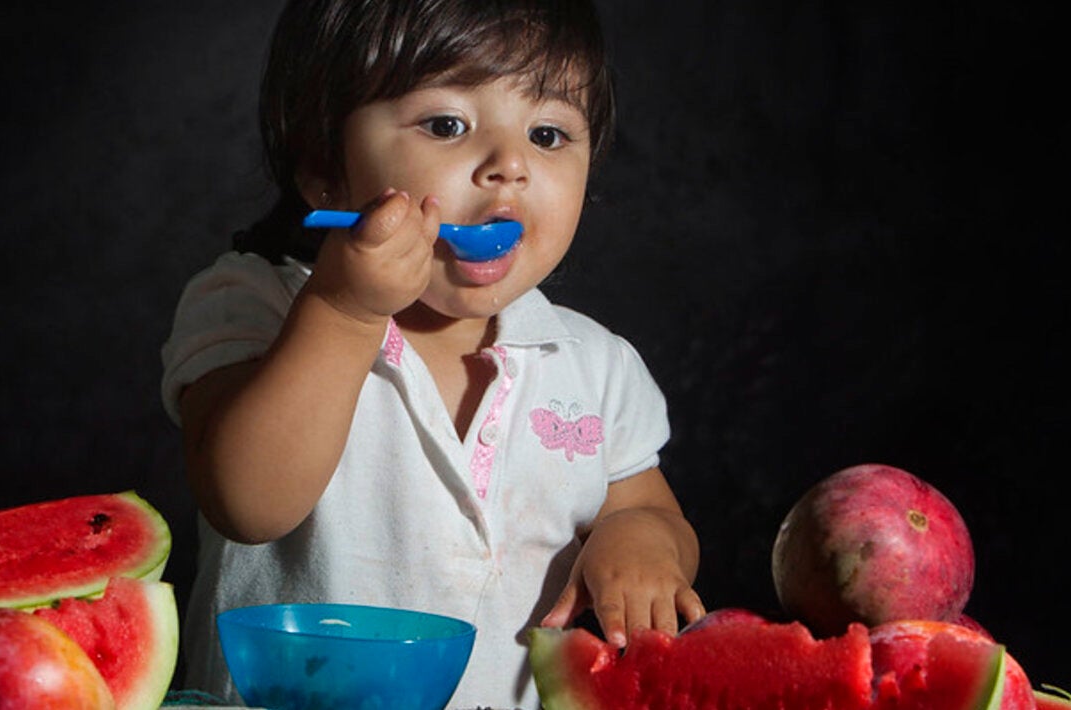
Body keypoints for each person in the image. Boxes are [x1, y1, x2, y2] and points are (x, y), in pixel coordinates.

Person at [160, 0, 705, 705]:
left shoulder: (595, 366)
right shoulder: (254, 302)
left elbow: (651, 510)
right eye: (448, 125)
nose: (509, 166)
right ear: (327, 168)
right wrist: (343, 308)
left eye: (548, 133)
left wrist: (643, 541)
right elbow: (247, 501)